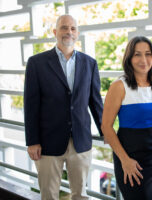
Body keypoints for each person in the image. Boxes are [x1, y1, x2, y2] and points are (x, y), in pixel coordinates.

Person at [24, 14, 103, 200]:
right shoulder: (37, 63)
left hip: (81, 141)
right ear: (55, 32)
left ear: (77, 33)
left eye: (73, 28)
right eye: (64, 28)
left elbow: (95, 102)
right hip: (47, 142)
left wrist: (105, 131)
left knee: (81, 195)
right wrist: (32, 141)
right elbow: (31, 104)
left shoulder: (90, 63)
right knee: (49, 195)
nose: (69, 32)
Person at [101, 36, 152, 200]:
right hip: (130, 157)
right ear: (129, 58)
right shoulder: (119, 86)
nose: (143, 59)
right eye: (137, 54)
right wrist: (125, 160)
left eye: (148, 54)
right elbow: (106, 127)